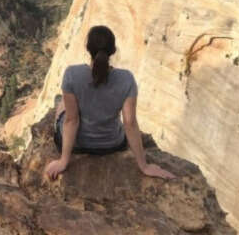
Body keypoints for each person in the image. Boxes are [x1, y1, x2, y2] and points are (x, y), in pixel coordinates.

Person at [44, 25, 175, 180]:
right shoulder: (126, 79)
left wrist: (63, 161)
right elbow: (130, 123)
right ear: (113, 50)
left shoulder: (72, 74)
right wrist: (144, 166)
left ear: (88, 48)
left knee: (62, 104)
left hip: (79, 144)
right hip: (112, 144)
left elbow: (72, 121)